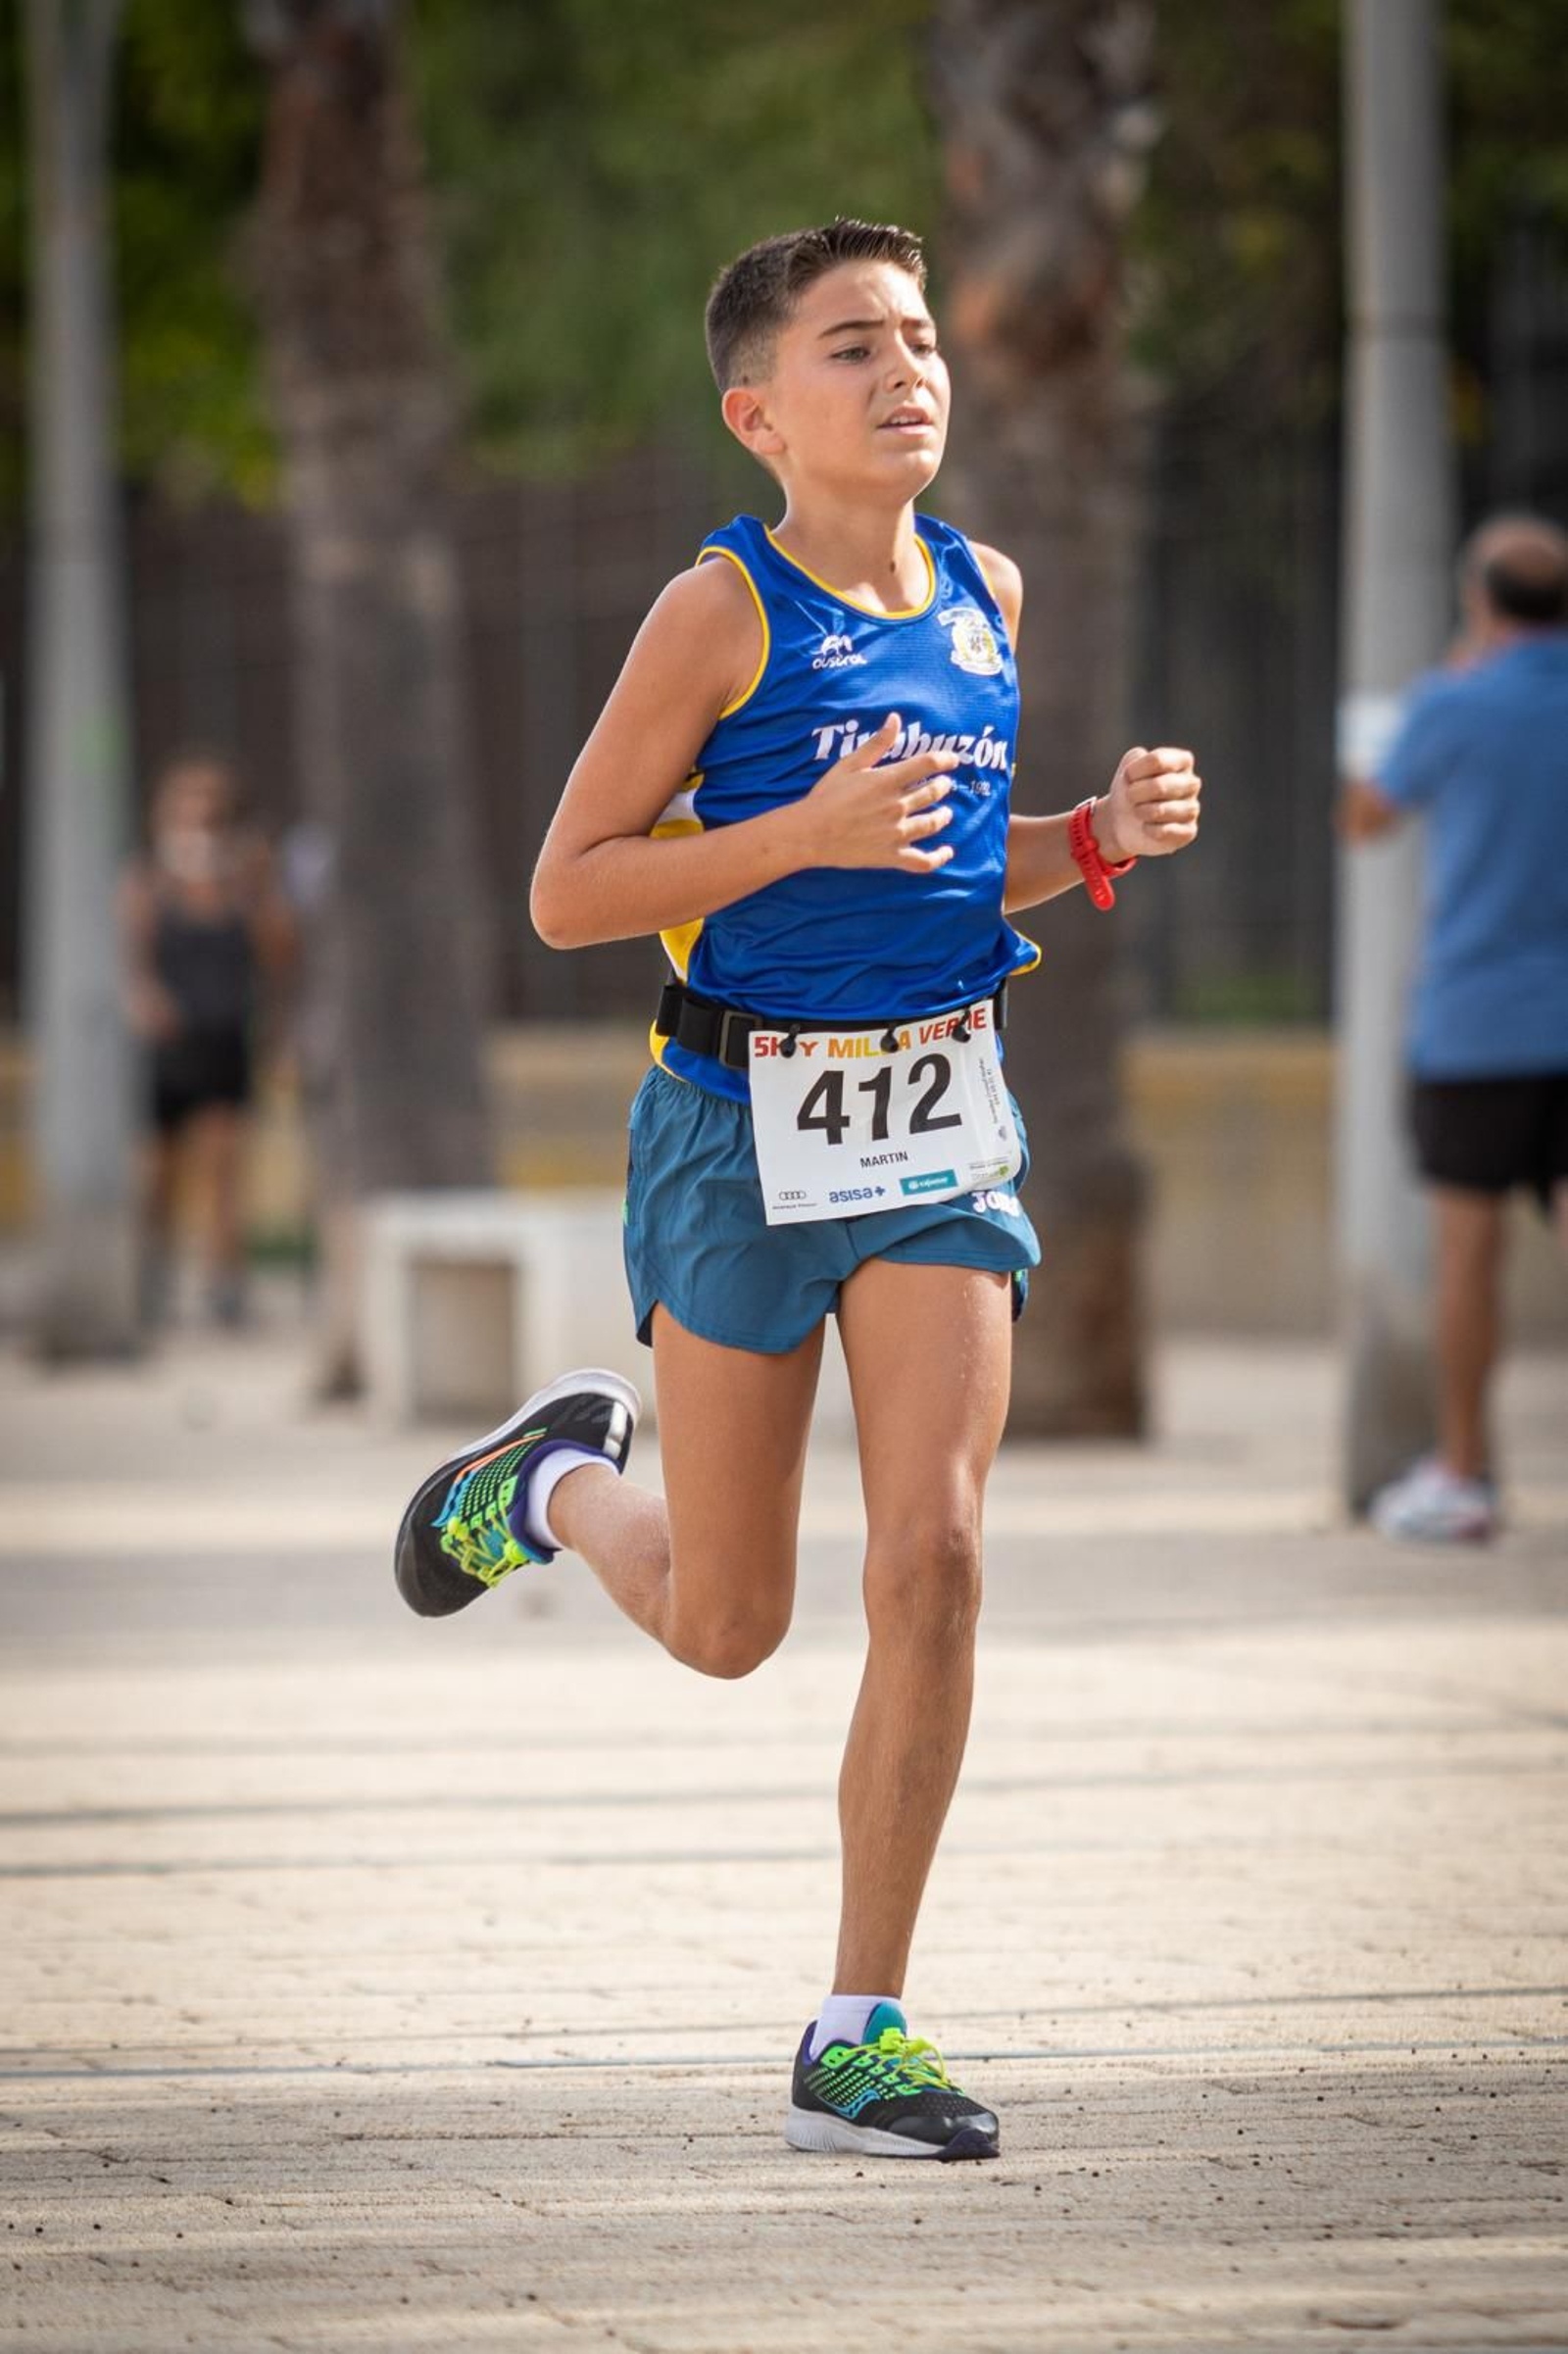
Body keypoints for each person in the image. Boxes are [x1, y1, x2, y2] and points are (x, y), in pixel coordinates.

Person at [394, 219, 1201, 2159]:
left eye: (917, 337)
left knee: (930, 1556)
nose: (904, 368)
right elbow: (569, 889)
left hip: (937, 1124)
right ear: (759, 411)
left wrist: (1085, 837)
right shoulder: (715, 612)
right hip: (732, 1126)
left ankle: (860, 2024)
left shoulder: (986, 592)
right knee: (731, 1620)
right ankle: (554, 1487)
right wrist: (790, 830)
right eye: (852, 344)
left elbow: (931, 871)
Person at [1342, 514, 1568, 1544]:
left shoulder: (1454, 702)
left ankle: (1466, 1474)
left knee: (1467, 1262)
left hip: (1478, 1025)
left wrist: (1443, 678)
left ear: (1480, 600)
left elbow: (1365, 815)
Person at [120, 750, 294, 1327]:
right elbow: (133, 963)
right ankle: (151, 1279)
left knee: (224, 1170)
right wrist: (145, 1000)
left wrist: (256, 884)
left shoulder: (245, 886)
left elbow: (279, 958)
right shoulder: (148, 883)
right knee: (158, 1173)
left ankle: (226, 1288)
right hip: (169, 1048)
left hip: (224, 1040)